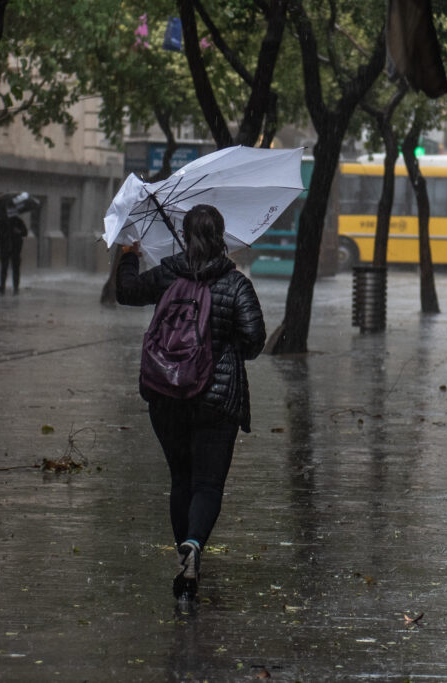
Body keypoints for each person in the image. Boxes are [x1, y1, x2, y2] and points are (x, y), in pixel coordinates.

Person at [116, 204, 265, 605]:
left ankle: (184, 550)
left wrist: (128, 256)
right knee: (207, 483)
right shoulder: (235, 285)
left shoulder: (168, 273)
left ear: (184, 234)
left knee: (181, 479)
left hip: (166, 395)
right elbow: (254, 342)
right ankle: (194, 547)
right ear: (221, 236)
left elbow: (127, 293)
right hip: (216, 401)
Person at [0, 215, 28, 295]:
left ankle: (16, 287)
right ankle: (2, 287)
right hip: (5, 249)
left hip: (15, 249)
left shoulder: (18, 221)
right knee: (4, 268)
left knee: (15, 269)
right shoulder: (2, 221)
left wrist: (19, 231)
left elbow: (25, 232)